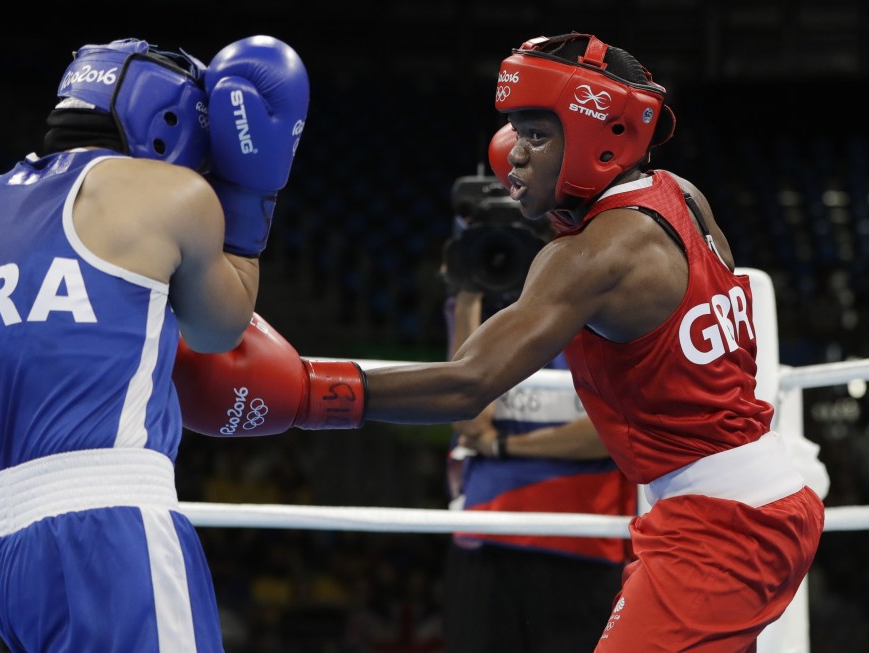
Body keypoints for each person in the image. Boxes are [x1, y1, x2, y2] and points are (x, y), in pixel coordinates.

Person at [173, 31, 825, 652]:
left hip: (720, 526)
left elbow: (469, 382)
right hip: (757, 497)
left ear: (603, 139)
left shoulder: (593, 257)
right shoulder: (680, 195)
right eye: (518, 129)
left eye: (537, 134)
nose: (513, 151)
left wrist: (309, 393)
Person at [0, 34, 309, 652]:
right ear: (171, 120)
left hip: (8, 550)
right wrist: (251, 191)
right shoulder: (169, 196)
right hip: (115, 531)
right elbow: (220, 328)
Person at [439, 174, 636, 652]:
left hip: (581, 536)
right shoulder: (485, 319)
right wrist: (468, 293)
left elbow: (610, 433)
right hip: (487, 534)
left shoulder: (607, 308)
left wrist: (504, 445)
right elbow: (467, 417)